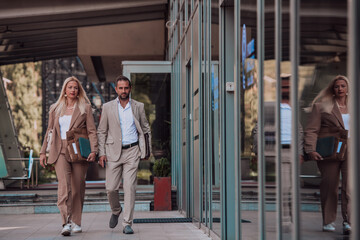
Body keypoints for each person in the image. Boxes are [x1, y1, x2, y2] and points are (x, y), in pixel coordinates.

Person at [39, 76, 98, 236]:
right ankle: (65, 223)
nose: (73, 90)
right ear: (65, 90)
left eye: (76, 88)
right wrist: (43, 151)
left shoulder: (85, 108)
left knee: (78, 187)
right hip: (59, 150)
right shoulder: (55, 108)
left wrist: (94, 150)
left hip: (78, 150)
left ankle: (76, 221)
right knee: (64, 186)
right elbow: (50, 131)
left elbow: (92, 131)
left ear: (79, 91)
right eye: (70, 87)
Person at [97, 75, 151, 234]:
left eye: (126, 88)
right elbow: (102, 131)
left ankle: (127, 223)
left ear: (130, 89)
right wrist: (102, 153)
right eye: (120, 88)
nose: (123, 91)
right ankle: (116, 210)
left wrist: (146, 150)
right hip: (113, 152)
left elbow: (146, 129)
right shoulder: (107, 107)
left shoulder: (138, 106)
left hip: (132, 151)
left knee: (129, 188)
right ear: (116, 89)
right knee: (111, 188)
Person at [252, 75, 304, 233]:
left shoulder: (296, 107)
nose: (286, 90)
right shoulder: (270, 108)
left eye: (288, 87)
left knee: (293, 188)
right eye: (284, 87)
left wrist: (301, 152)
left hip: (293, 152)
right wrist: (258, 150)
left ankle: (292, 220)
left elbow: (300, 131)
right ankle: (286, 220)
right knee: (285, 188)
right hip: (278, 152)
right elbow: (257, 129)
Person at [304, 75, 351, 234]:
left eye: (343, 86)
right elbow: (311, 130)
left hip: (351, 151)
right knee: (330, 186)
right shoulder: (322, 106)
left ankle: (348, 221)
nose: (340, 89)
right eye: (337, 86)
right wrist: (311, 149)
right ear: (333, 88)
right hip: (331, 150)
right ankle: (328, 221)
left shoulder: (355, 106)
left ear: (347, 88)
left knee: (350, 187)